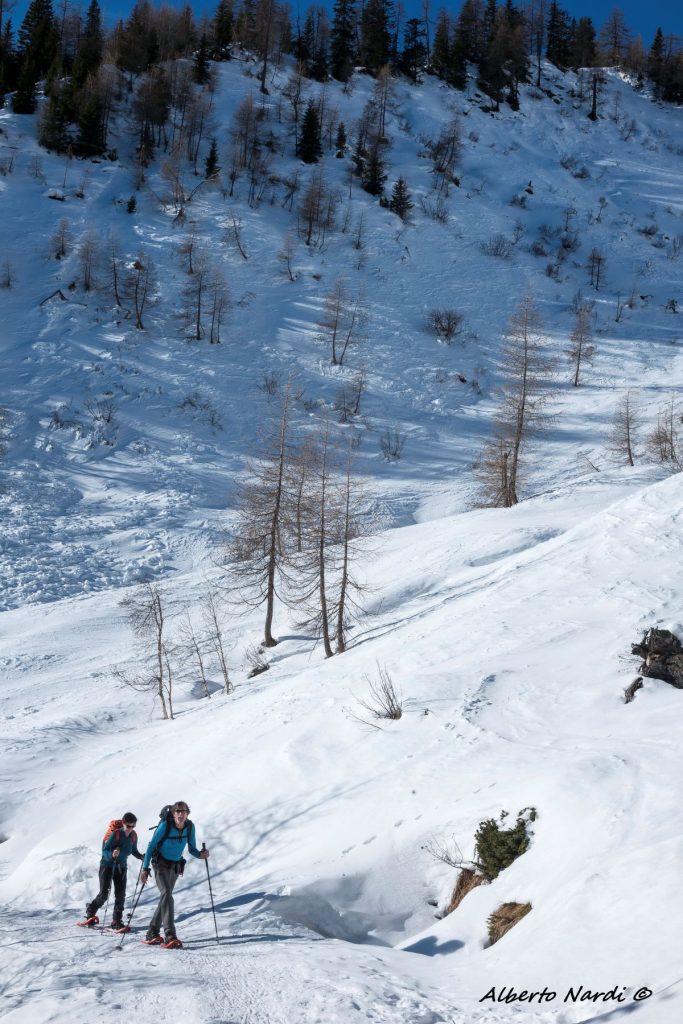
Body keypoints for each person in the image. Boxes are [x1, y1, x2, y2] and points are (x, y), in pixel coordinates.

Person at [141, 801, 209, 946]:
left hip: (175, 867)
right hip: (159, 864)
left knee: (165, 898)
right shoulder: (165, 826)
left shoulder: (190, 827)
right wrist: (145, 868)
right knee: (166, 894)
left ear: (187, 813)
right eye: (177, 811)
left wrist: (201, 855)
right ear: (173, 813)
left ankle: (152, 932)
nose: (180, 814)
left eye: (183, 811)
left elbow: (191, 849)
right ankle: (170, 935)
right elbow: (151, 845)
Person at [85, 812, 144, 929]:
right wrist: (112, 854)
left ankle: (116, 921)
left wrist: (141, 856)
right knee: (104, 894)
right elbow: (105, 850)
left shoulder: (133, 836)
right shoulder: (116, 833)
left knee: (120, 895)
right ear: (123, 824)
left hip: (122, 867)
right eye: (128, 826)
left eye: (133, 826)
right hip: (107, 865)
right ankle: (91, 910)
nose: (130, 829)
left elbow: (133, 850)